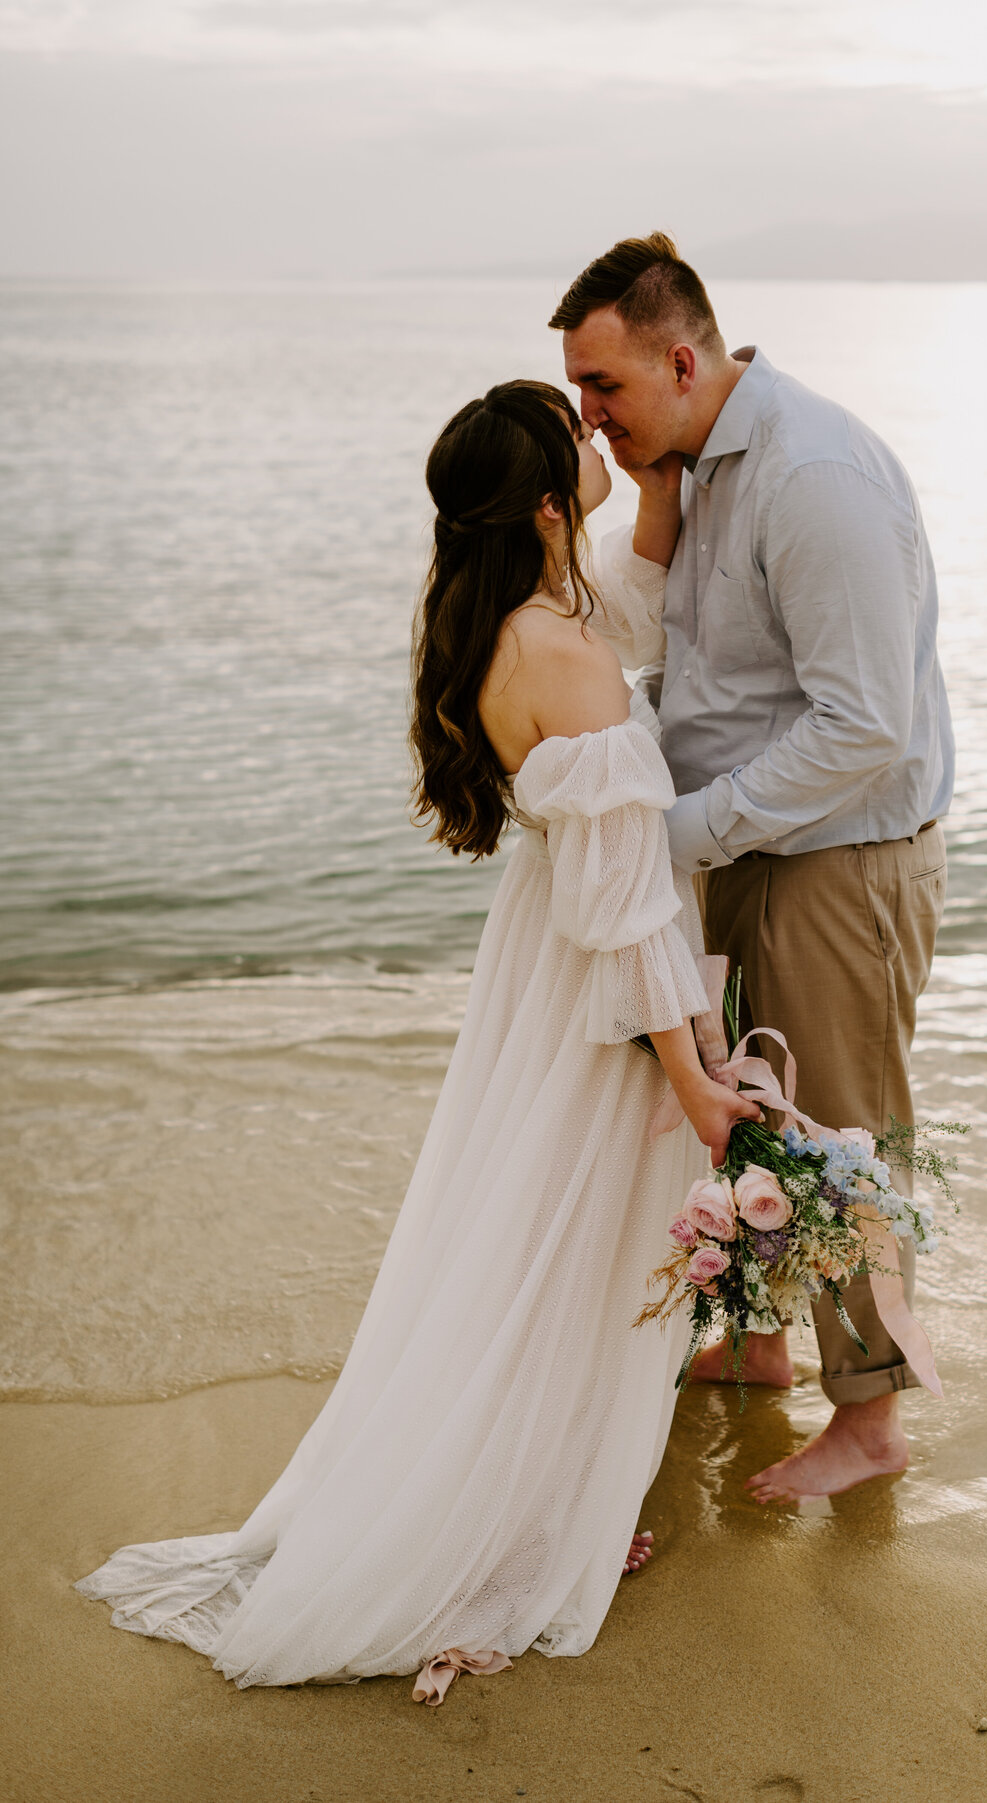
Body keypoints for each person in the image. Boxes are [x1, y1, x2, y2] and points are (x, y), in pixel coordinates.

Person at [75, 380, 758, 1703]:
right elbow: (626, 903)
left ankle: (548, 1498)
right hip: (605, 980)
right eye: (578, 439)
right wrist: (694, 1071)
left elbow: (627, 590)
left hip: (542, 963)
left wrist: (647, 476)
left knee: (527, 1240)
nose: (593, 431)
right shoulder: (563, 652)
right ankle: (536, 1528)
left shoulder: (513, 621)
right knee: (569, 1250)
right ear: (553, 505)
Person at [550, 235, 955, 1506]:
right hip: (751, 845)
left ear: (681, 360)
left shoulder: (811, 474)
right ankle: (767, 1348)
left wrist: (667, 837)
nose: (590, 417)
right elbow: (715, 674)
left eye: (603, 389)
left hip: (836, 860)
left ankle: (874, 1421)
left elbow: (865, 726)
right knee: (755, 1111)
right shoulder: (697, 462)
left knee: (840, 1130)